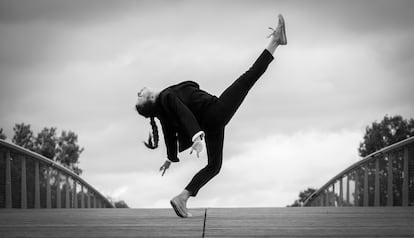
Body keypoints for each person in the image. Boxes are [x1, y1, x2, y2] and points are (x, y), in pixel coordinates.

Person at [135, 14, 287, 218]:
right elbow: (184, 113)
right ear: (149, 98)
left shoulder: (163, 111)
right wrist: (196, 137)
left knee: (214, 166)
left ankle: (183, 196)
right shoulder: (167, 97)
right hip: (215, 113)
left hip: (211, 124)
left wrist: (170, 158)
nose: (139, 92)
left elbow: (169, 134)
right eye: (139, 96)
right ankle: (276, 40)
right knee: (247, 78)